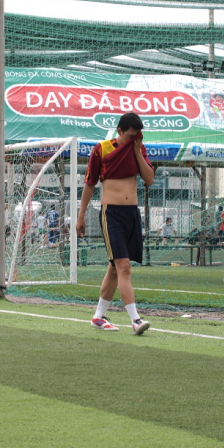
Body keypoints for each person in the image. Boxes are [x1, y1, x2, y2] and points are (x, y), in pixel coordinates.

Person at [76, 112, 155, 335]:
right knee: (123, 266)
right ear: (119, 131)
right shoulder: (101, 149)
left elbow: (149, 179)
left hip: (132, 214)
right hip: (111, 213)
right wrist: (81, 216)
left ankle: (98, 316)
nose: (134, 139)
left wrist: (137, 151)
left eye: (137, 136)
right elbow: (90, 183)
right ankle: (136, 320)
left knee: (114, 268)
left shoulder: (138, 148)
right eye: (130, 136)